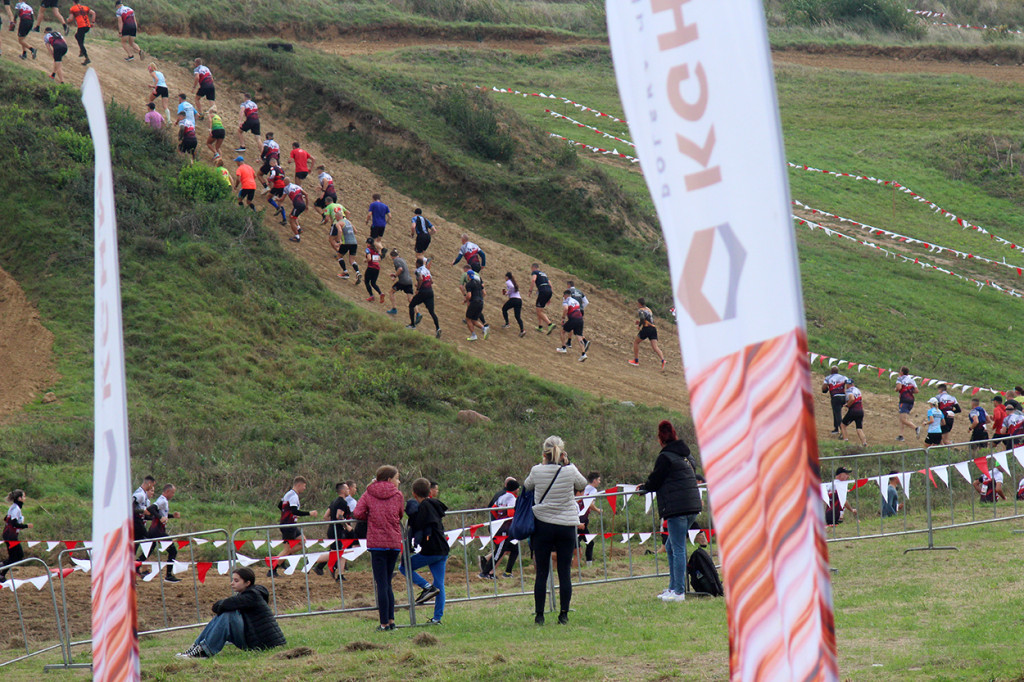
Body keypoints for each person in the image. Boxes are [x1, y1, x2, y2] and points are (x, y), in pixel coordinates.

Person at [524, 436, 587, 625]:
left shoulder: (536, 470)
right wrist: (569, 464)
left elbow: (526, 486)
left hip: (543, 524)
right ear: (562, 453)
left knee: (542, 572)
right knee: (564, 571)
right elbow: (582, 484)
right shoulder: (569, 470)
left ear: (544, 453)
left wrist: (542, 463)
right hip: (566, 525)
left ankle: (539, 615)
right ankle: (564, 614)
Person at [638, 421, 701, 601]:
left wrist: (644, 488)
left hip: (677, 508)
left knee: (678, 547)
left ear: (660, 439)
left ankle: (679, 591)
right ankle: (673, 587)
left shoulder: (665, 457)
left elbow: (656, 480)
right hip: (693, 506)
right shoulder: (687, 456)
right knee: (670, 546)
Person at [176, 567, 285, 659]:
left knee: (228, 614)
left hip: (260, 643)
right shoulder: (248, 594)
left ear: (247, 583)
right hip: (254, 637)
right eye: (233, 580)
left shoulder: (251, 596)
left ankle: (204, 652)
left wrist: (222, 606)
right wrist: (222, 606)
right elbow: (220, 606)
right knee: (226, 613)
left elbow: (220, 606)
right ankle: (196, 647)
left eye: (236, 581)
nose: (232, 583)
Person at [353, 465, 404, 631]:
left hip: (377, 544)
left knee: (381, 583)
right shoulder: (398, 495)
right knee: (388, 583)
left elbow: (358, 512)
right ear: (389, 479)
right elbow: (401, 513)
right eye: (397, 478)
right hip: (394, 542)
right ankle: (391, 621)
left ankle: (383, 623)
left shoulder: (369, 493)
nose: (399, 481)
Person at [399, 477, 448, 624]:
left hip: (431, 550)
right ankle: (437, 618)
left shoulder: (424, 507)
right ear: (430, 491)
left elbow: (418, 522)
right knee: (439, 584)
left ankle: (427, 587)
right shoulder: (434, 504)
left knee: (404, 566)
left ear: (414, 494)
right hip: (442, 549)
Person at [269, 476, 318, 577]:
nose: (304, 489)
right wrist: (310, 513)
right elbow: (294, 510)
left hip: (291, 524)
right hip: (288, 526)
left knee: (302, 542)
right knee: (287, 549)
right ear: (299, 485)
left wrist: (289, 515)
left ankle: (282, 559)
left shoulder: (288, 494)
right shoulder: (293, 496)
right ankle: (272, 568)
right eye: (304, 486)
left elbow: (280, 505)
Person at [479, 478, 518, 579]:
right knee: (499, 552)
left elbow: (493, 509)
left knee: (515, 549)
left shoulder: (502, 497)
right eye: (518, 488)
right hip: (504, 529)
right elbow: (510, 513)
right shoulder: (512, 499)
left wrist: (498, 518)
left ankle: (507, 572)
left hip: (500, 526)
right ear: (515, 489)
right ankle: (485, 573)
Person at [313, 482, 352, 580]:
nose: (349, 491)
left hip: (332, 529)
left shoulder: (334, 501)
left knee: (341, 552)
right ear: (342, 491)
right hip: (337, 531)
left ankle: (340, 575)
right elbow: (339, 516)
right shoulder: (343, 502)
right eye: (347, 489)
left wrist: (332, 523)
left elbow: (326, 516)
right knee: (336, 553)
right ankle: (313, 560)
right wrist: (346, 526)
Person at [145, 484, 182, 584]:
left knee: (146, 553)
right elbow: (151, 509)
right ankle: (168, 575)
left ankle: (135, 569)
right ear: (167, 492)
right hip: (158, 531)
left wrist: (172, 516)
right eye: (173, 492)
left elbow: (161, 514)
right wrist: (160, 518)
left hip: (155, 530)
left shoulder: (163, 500)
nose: (173, 495)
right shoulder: (162, 500)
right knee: (173, 551)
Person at [1, 490, 32, 580]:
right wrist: (26, 526)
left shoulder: (13, 507)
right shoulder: (16, 509)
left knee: (14, 556)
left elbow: (6, 519)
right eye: (24, 496)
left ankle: (2, 573)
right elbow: (13, 523)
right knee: (18, 555)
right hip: (10, 536)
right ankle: (2, 572)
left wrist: (18, 525)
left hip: (9, 535)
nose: (25, 498)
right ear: (19, 498)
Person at [407, 257, 440, 338]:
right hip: (430, 292)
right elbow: (431, 281)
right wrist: (420, 284)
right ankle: (438, 328)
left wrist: (418, 288)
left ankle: (412, 325)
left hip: (423, 292)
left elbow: (421, 279)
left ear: (417, 264)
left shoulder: (417, 270)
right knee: (432, 312)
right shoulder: (427, 270)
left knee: (411, 305)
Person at [629, 297, 666, 369]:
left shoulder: (640, 310)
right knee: (655, 347)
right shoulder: (648, 309)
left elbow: (642, 318)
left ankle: (636, 361)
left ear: (639, 303)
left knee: (636, 342)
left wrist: (639, 325)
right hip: (653, 329)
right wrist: (640, 322)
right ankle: (663, 360)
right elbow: (648, 319)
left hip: (647, 329)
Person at [555, 289, 589, 362]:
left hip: (573, 319)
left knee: (562, 331)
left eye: (563, 295)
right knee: (579, 336)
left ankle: (563, 348)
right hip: (580, 319)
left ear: (565, 295)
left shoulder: (566, 300)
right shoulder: (575, 301)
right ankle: (583, 354)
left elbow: (565, 309)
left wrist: (563, 318)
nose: (563, 297)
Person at [577, 472, 601, 565]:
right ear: (594, 481)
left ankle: (585, 563)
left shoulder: (585, 488)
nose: (599, 482)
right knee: (588, 543)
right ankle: (588, 564)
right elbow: (589, 504)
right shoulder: (593, 490)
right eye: (598, 480)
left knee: (581, 542)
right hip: (581, 520)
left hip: (580, 518)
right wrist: (598, 510)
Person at [821, 366, 852, 436]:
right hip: (843, 397)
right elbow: (849, 384)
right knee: (836, 412)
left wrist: (825, 389)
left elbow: (824, 387)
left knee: (837, 413)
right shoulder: (843, 377)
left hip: (835, 397)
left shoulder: (828, 378)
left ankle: (842, 431)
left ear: (831, 371)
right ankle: (836, 428)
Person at [527, 263, 556, 334]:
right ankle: (540, 326)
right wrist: (549, 297)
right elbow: (550, 285)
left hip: (543, 291)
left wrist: (530, 290)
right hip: (548, 291)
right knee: (540, 309)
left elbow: (533, 280)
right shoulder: (544, 274)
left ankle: (550, 324)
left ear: (533, 267)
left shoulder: (535, 272)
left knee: (538, 311)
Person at [462, 265, 487, 341]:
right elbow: (484, 293)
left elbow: (469, 295)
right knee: (474, 320)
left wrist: (465, 300)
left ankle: (473, 335)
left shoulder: (469, 284)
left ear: (468, 276)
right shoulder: (479, 283)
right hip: (481, 302)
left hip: (474, 302)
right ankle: (484, 328)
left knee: (468, 319)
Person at [132, 475, 156, 552]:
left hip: (139, 521)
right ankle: (140, 559)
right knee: (150, 541)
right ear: (149, 483)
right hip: (136, 522)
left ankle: (132, 560)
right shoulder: (140, 494)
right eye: (152, 485)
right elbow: (130, 508)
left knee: (136, 543)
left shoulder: (143, 494)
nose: (152, 487)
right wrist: (142, 511)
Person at [333, 211, 360, 281]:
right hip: (354, 242)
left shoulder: (338, 223)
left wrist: (338, 241)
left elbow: (340, 231)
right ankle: (357, 272)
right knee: (352, 260)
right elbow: (356, 231)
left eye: (336, 217)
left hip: (346, 242)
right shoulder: (348, 221)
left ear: (338, 217)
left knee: (339, 256)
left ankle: (345, 272)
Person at [895, 367, 919, 441]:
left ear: (902, 372)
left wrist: (896, 389)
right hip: (911, 400)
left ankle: (916, 428)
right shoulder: (912, 380)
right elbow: (916, 391)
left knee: (903, 419)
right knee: (902, 418)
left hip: (904, 400)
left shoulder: (900, 378)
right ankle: (901, 435)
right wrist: (909, 391)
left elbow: (898, 388)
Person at [839, 381, 867, 447]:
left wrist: (847, 405)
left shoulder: (849, 391)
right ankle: (864, 443)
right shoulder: (857, 390)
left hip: (853, 411)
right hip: (860, 411)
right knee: (859, 429)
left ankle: (845, 442)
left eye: (846, 385)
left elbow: (852, 398)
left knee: (842, 425)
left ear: (848, 385)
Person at [386, 249, 413, 316]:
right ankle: (418, 313)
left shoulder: (396, 260)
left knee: (391, 292)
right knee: (410, 299)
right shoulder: (402, 259)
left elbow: (400, 269)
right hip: (409, 280)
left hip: (402, 281)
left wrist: (395, 276)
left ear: (392, 256)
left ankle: (394, 309)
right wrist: (395, 274)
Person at [264, 158, 288, 225]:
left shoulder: (273, 168)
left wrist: (269, 179)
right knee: (280, 202)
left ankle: (277, 208)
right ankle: (284, 219)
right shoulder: (281, 169)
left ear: (272, 163)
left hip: (277, 185)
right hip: (283, 186)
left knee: (268, 197)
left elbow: (273, 175)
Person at [501, 272, 525, 337]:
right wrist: (507, 293)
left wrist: (508, 292)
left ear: (507, 277)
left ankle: (507, 323)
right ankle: (522, 330)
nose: (505, 278)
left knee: (504, 309)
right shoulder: (513, 282)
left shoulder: (508, 282)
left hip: (513, 299)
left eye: (505, 277)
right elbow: (513, 289)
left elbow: (511, 287)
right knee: (517, 316)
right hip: (519, 300)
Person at [363, 237, 384, 303]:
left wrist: (366, 260)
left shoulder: (368, 249)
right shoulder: (376, 250)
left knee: (366, 281)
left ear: (368, 244)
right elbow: (379, 259)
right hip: (377, 268)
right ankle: (380, 293)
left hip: (371, 267)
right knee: (373, 283)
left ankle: (371, 296)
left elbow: (369, 258)